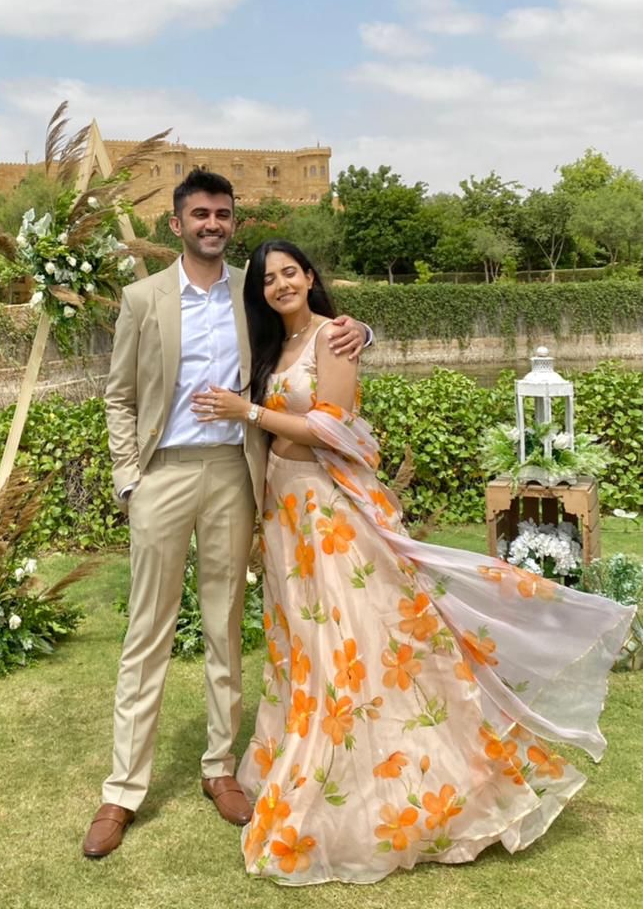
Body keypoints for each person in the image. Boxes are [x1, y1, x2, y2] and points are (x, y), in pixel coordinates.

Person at [194, 238, 634, 886]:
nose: (280, 284)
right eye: (268, 278)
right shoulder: (274, 348)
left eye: (290, 272)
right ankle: (312, 758)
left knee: (353, 639)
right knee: (305, 647)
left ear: (310, 277)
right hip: (284, 515)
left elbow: (335, 424)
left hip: (330, 510)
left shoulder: (332, 338)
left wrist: (249, 410)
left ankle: (394, 785)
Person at [83, 173, 371, 859]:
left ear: (232, 223)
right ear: (176, 225)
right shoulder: (142, 299)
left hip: (237, 478)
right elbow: (118, 396)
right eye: (200, 214)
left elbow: (314, 324)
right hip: (165, 475)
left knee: (225, 628)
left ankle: (219, 768)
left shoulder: (253, 290)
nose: (212, 222)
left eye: (222, 214)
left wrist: (364, 328)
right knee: (146, 632)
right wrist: (130, 480)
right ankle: (122, 791)